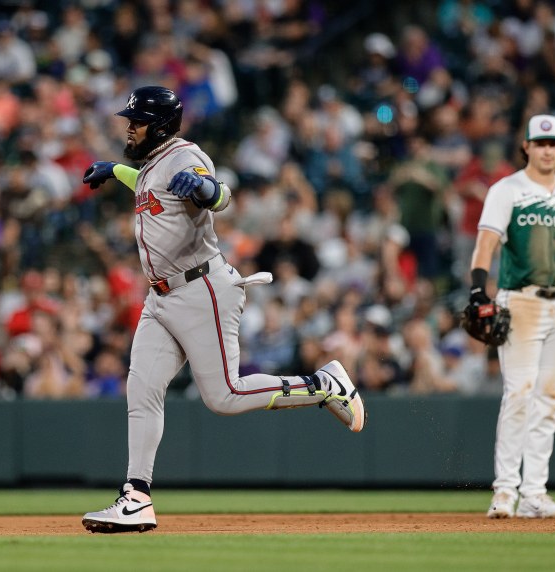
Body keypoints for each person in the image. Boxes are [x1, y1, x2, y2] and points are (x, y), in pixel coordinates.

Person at [78, 86, 367, 533]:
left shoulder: (185, 156)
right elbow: (151, 187)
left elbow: (220, 195)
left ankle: (323, 383)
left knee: (225, 396)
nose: (128, 127)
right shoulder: (154, 163)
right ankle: (136, 497)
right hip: (161, 297)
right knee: (142, 391)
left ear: (158, 126)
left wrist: (206, 188)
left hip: (201, 289)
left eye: (135, 121)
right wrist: (116, 171)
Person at [469, 114, 555, 520]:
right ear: (526, 145)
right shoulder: (506, 190)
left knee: (548, 398)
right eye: (539, 143)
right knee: (519, 393)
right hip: (521, 300)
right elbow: (486, 242)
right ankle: (505, 490)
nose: (546, 149)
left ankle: (534, 493)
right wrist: (478, 290)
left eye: (553, 143)